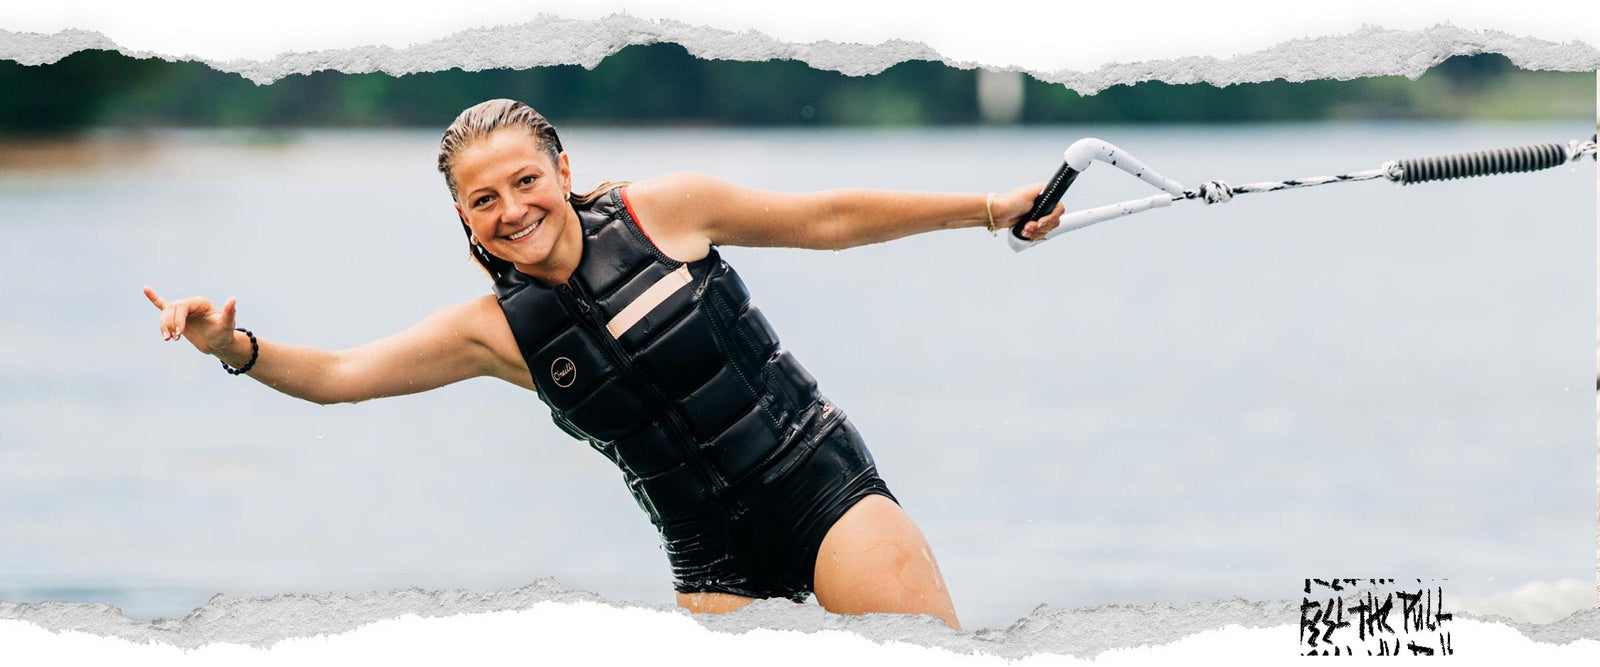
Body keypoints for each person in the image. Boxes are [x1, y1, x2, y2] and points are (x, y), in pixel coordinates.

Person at [143, 99, 1065, 631]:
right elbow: (341, 374)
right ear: (464, 217)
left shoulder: (669, 211)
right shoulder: (493, 332)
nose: (512, 209)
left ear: (562, 168)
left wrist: (989, 207)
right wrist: (233, 347)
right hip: (711, 555)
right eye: (484, 199)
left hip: (820, 490)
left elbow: (827, 218)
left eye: (525, 181)